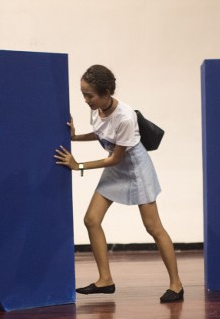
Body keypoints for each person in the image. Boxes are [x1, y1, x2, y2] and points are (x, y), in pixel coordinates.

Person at [54, 64, 184, 303]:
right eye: (83, 94)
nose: (85, 100)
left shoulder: (125, 117)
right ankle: (105, 280)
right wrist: (75, 137)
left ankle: (176, 285)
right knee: (91, 220)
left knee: (153, 228)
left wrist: (78, 165)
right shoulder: (97, 109)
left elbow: (115, 158)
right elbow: (102, 133)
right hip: (116, 167)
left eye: (89, 95)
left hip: (135, 168)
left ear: (106, 93)